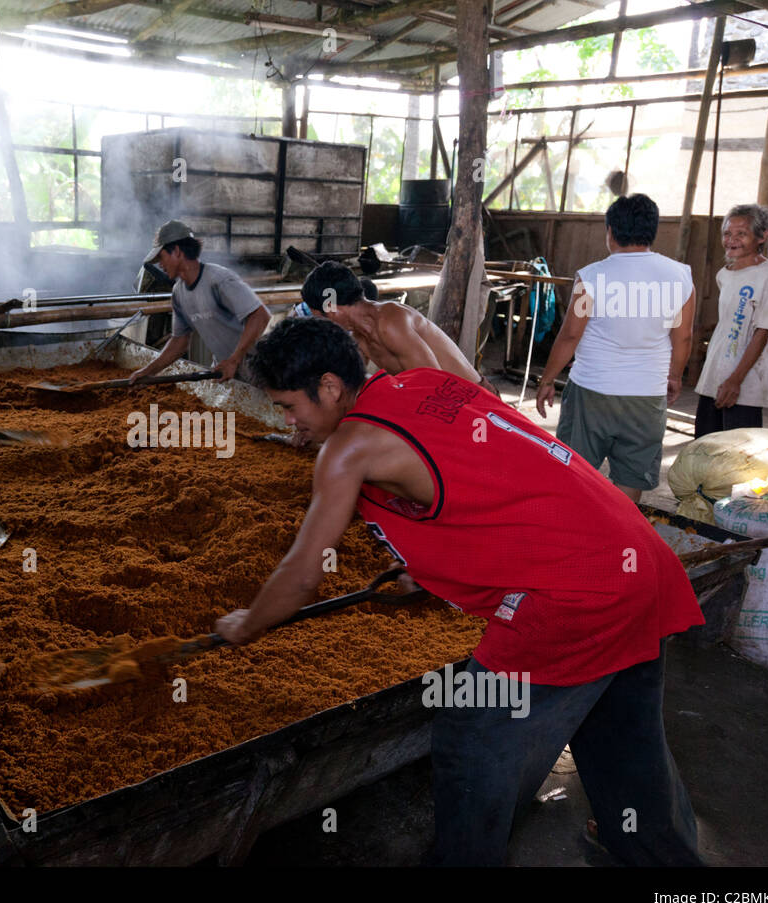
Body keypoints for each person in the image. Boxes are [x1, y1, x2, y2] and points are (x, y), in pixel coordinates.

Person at [217, 317, 705, 866]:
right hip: (636, 557)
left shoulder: (348, 448)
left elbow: (305, 574)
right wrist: (423, 573)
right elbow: (483, 476)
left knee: (473, 730)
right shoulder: (419, 383)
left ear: (329, 387)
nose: (288, 422)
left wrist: (247, 622)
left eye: (289, 406)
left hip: (579, 593)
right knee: (621, 730)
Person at [535, 194, 695, 503]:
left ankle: (575, 535)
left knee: (576, 469)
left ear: (610, 231)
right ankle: (621, 543)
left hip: (592, 392)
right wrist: (674, 376)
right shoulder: (680, 276)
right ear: (653, 231)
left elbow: (570, 336)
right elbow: (684, 337)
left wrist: (546, 380)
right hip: (647, 395)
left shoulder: (592, 276)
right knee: (631, 476)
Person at [300, 260, 501, 397]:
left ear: (332, 309)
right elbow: (353, 386)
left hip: (475, 401)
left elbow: (435, 387)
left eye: (321, 319)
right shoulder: (360, 337)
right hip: (446, 403)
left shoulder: (391, 322)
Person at [693, 204, 768, 437]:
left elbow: (764, 331)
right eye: (728, 234)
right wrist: (722, 377)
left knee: (736, 453)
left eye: (742, 234)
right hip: (714, 375)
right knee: (703, 446)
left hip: (745, 382)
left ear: (762, 236)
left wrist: (735, 380)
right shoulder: (725, 274)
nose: (732, 240)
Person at [128, 220, 271, 384]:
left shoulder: (218, 279)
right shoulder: (178, 292)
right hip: (224, 368)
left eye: (161, 257)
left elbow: (260, 316)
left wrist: (234, 359)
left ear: (176, 251)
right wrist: (148, 371)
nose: (160, 264)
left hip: (254, 366)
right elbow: (179, 341)